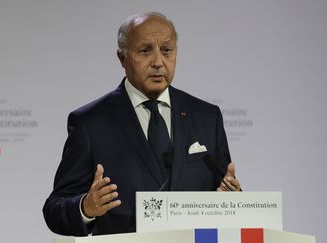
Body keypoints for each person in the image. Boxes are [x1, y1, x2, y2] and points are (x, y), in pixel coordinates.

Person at [43, 11, 241, 236]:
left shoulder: (207, 116)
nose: (158, 62)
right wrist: (85, 207)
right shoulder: (90, 123)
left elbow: (224, 192)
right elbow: (54, 208)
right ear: (122, 58)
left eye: (166, 50)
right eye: (145, 50)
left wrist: (232, 198)